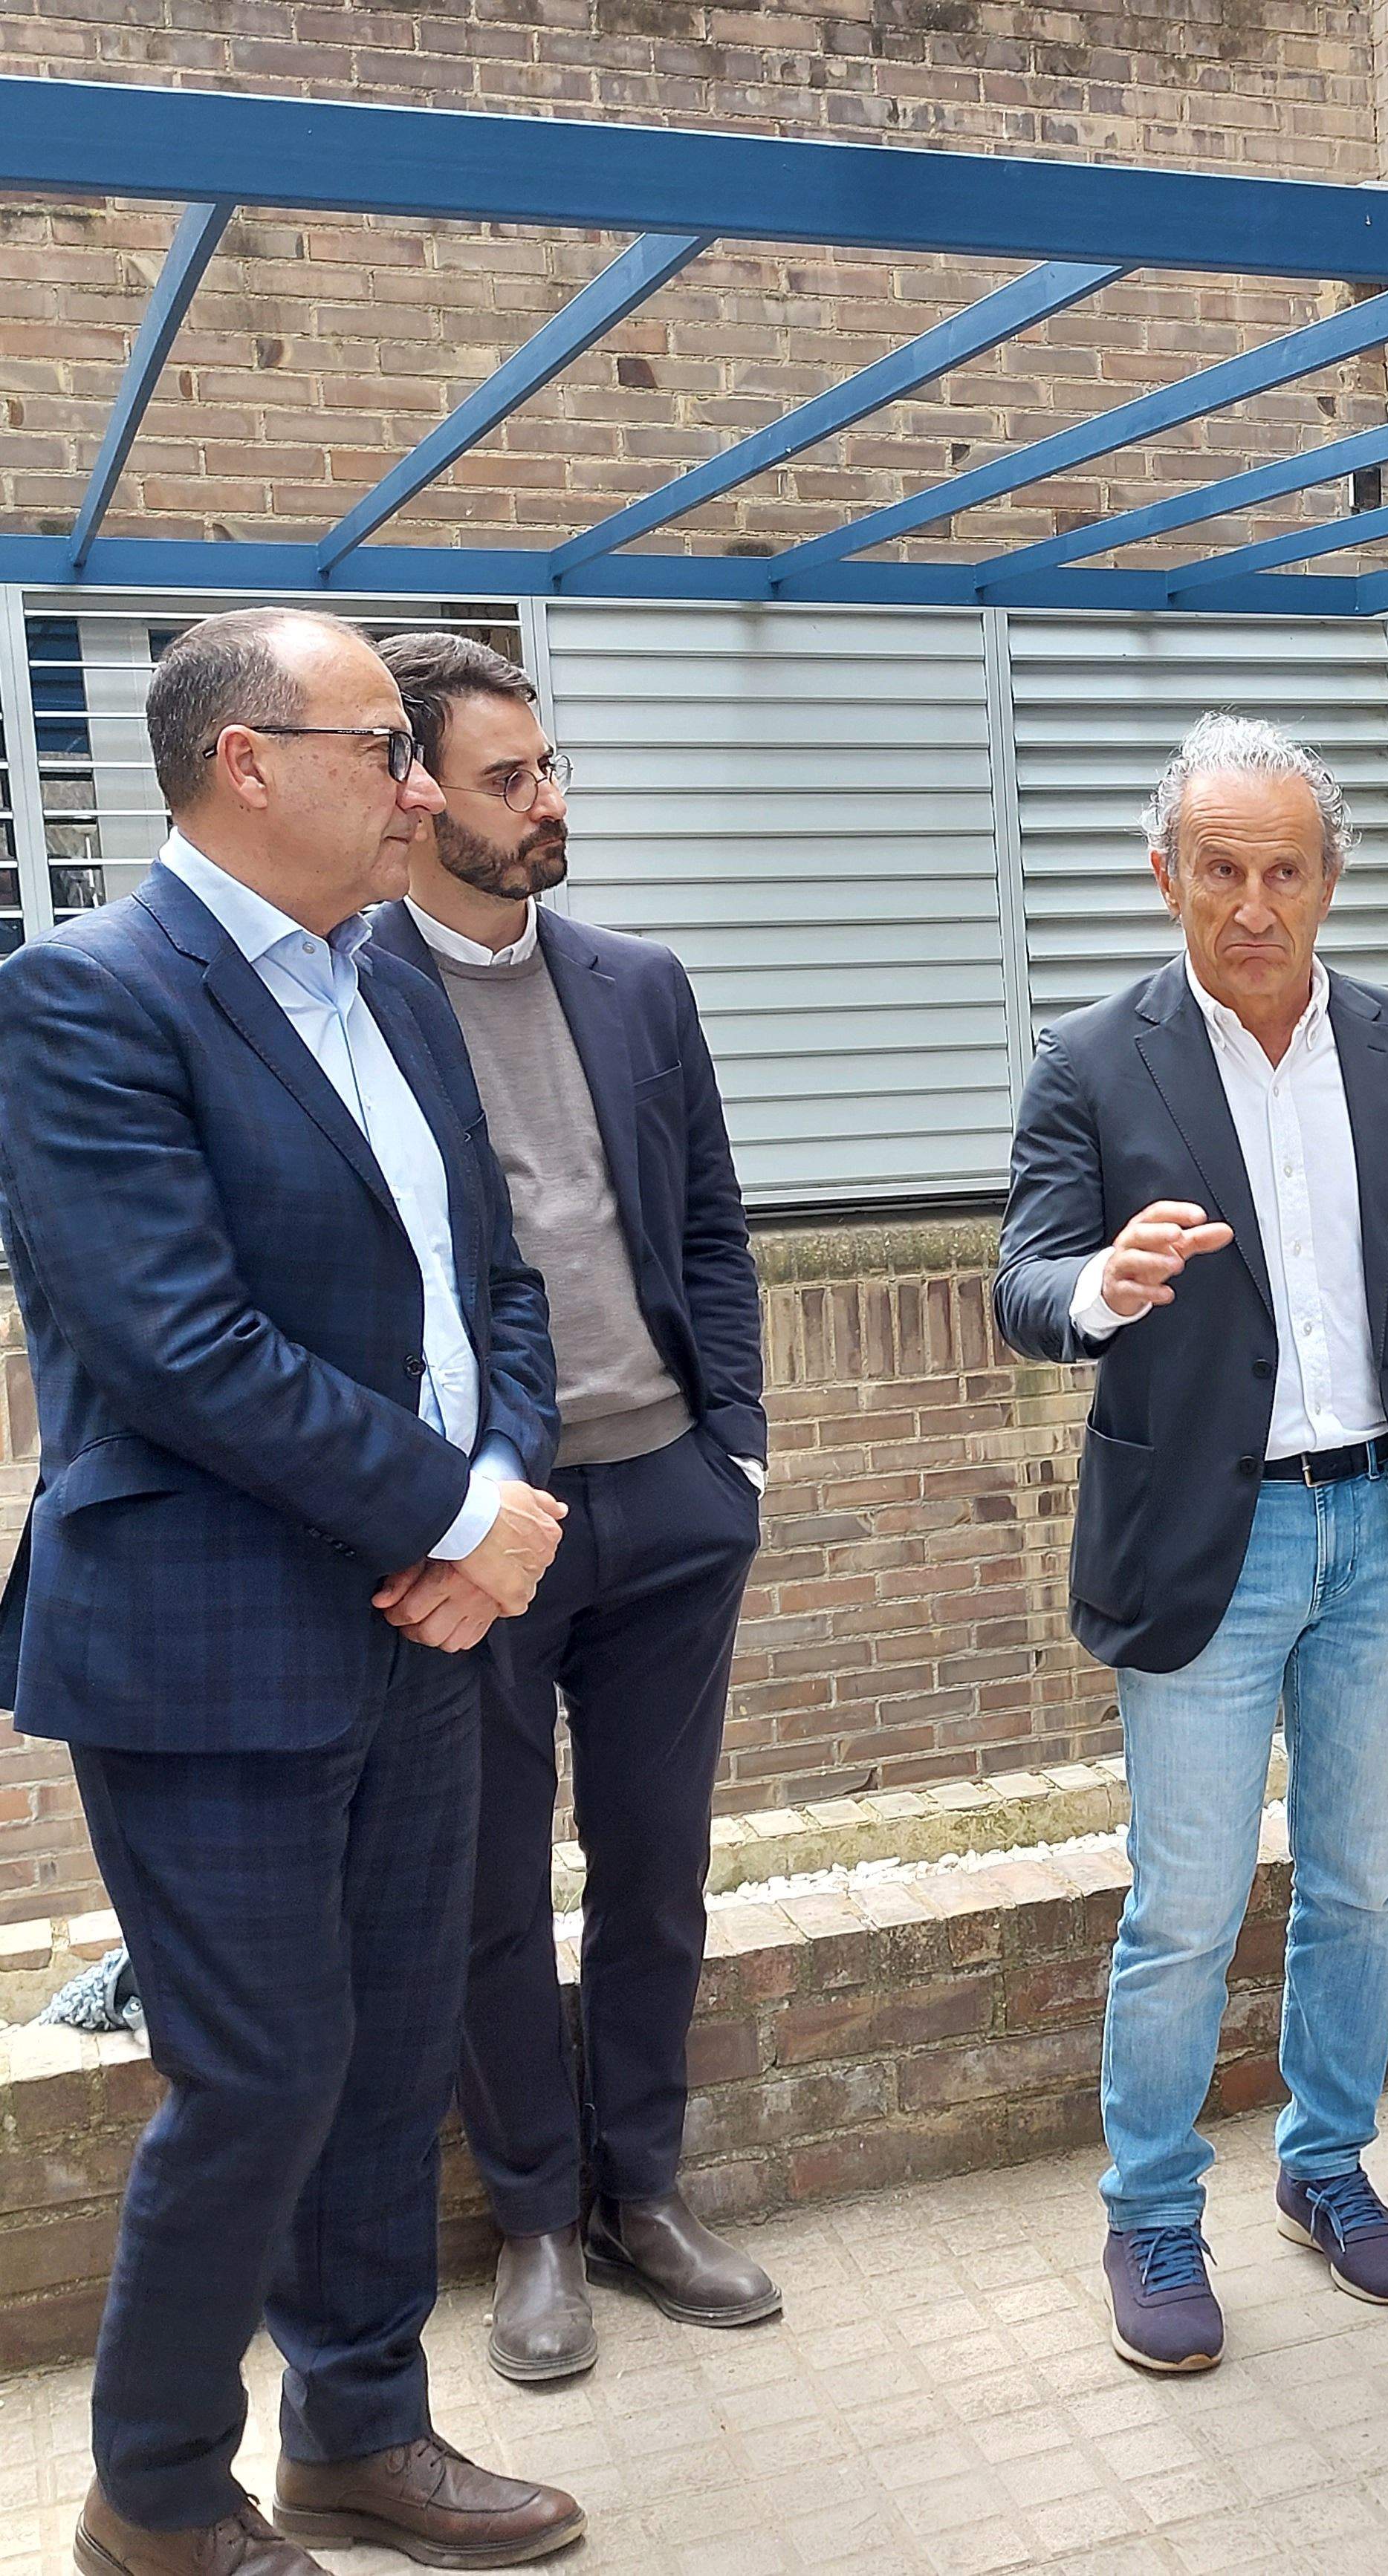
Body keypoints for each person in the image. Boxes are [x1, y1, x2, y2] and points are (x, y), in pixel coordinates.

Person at [0, 608, 583, 2575]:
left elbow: (491, 1279)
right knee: (257, 2076)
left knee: (393, 2050)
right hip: (212, 1648)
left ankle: (362, 2436)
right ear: (249, 759)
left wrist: (491, 1489)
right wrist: (445, 1511)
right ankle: (153, 2494)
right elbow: (178, 1346)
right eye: (384, 750)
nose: (422, 787)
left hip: (419, 1624)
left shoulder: (393, 982)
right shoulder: (83, 999)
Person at [991, 713, 1388, 2377]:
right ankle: (1150, 2214)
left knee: (1359, 1886)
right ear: (1163, 872)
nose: (1250, 908)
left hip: (1383, 1526)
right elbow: (1023, 1282)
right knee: (1184, 1903)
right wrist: (1100, 1291)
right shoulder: (1090, 1062)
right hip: (1211, 1535)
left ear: (1331, 880)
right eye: (1218, 870)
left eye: (1282, 872)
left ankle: (1324, 2170)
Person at [363, 633, 778, 2384]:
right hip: (481, 1533)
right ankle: (535, 2221)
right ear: (413, 802)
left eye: (552, 767)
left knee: (660, 1873)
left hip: (667, 1502)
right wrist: (440, 1508)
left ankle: (644, 2191)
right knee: (483, 1891)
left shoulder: (637, 981)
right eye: (507, 778)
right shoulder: (349, 997)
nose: (549, 802)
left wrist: (735, 1452)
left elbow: (710, 1231)